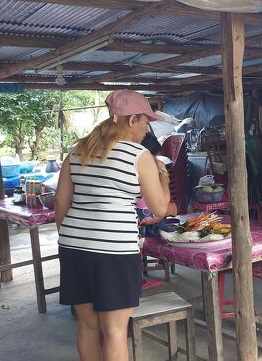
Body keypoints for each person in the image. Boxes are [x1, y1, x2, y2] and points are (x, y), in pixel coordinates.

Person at [54, 89, 171, 361]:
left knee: (87, 325)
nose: (146, 131)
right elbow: (159, 208)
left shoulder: (77, 151)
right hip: (114, 250)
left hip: (73, 247)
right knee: (115, 331)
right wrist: (162, 173)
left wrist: (72, 236)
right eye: (145, 123)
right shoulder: (138, 155)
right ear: (132, 120)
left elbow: (61, 200)